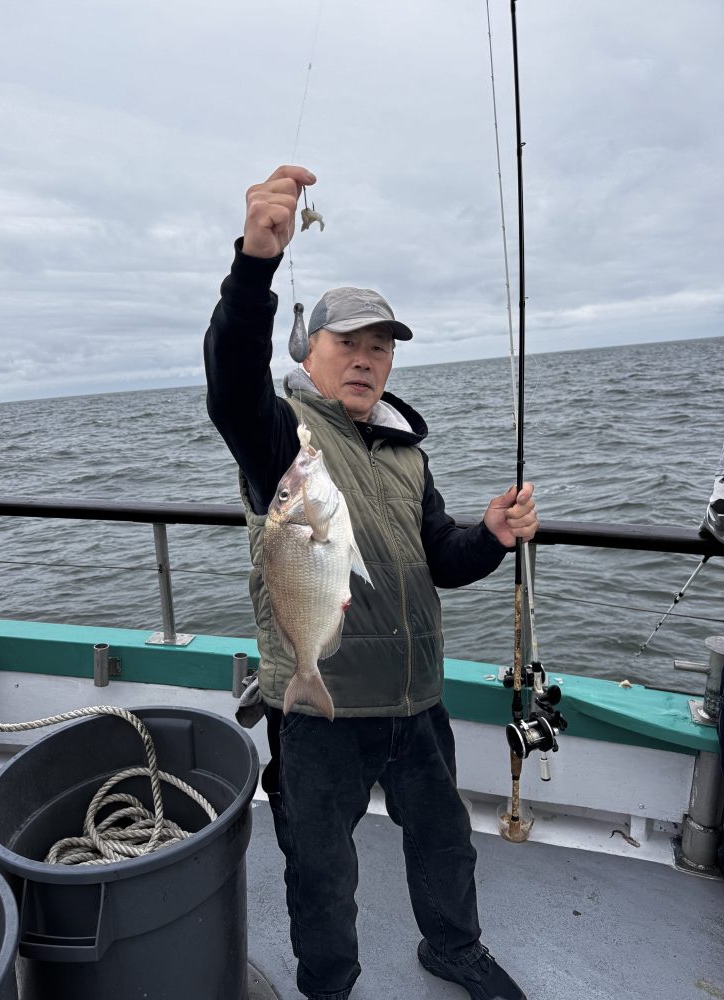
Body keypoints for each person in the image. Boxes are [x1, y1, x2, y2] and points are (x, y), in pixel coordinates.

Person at [204, 165, 539, 1000]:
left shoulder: (406, 454)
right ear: (307, 353)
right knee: (322, 871)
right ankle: (329, 984)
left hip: (415, 699)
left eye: (379, 345)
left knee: (444, 841)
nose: (365, 359)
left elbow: (440, 558)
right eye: (347, 343)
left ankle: (453, 947)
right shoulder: (280, 437)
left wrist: (490, 538)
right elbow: (231, 382)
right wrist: (255, 264)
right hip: (320, 706)